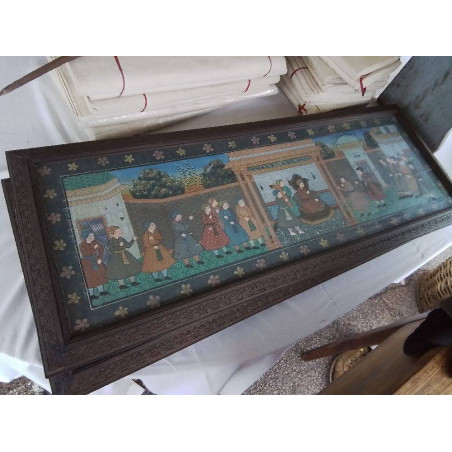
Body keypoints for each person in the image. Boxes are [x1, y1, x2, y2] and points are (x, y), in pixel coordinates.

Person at [79, 229, 109, 299]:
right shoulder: (82, 245)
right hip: (86, 262)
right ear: (86, 236)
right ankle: (91, 294)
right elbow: (86, 253)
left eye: (93, 235)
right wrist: (94, 249)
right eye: (91, 235)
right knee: (89, 278)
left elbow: (101, 249)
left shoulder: (95, 242)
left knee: (99, 275)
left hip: (95, 259)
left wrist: (100, 258)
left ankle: (101, 291)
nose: (93, 236)